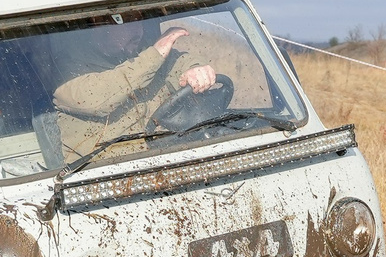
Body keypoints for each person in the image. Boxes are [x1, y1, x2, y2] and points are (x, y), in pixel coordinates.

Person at [48, 15, 258, 163]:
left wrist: (196, 71)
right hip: (98, 181)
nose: (139, 30)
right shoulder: (67, 73)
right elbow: (97, 99)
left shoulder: (145, 57)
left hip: (159, 163)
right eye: (127, 21)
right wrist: (154, 55)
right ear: (97, 24)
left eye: (141, 20)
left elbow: (180, 62)